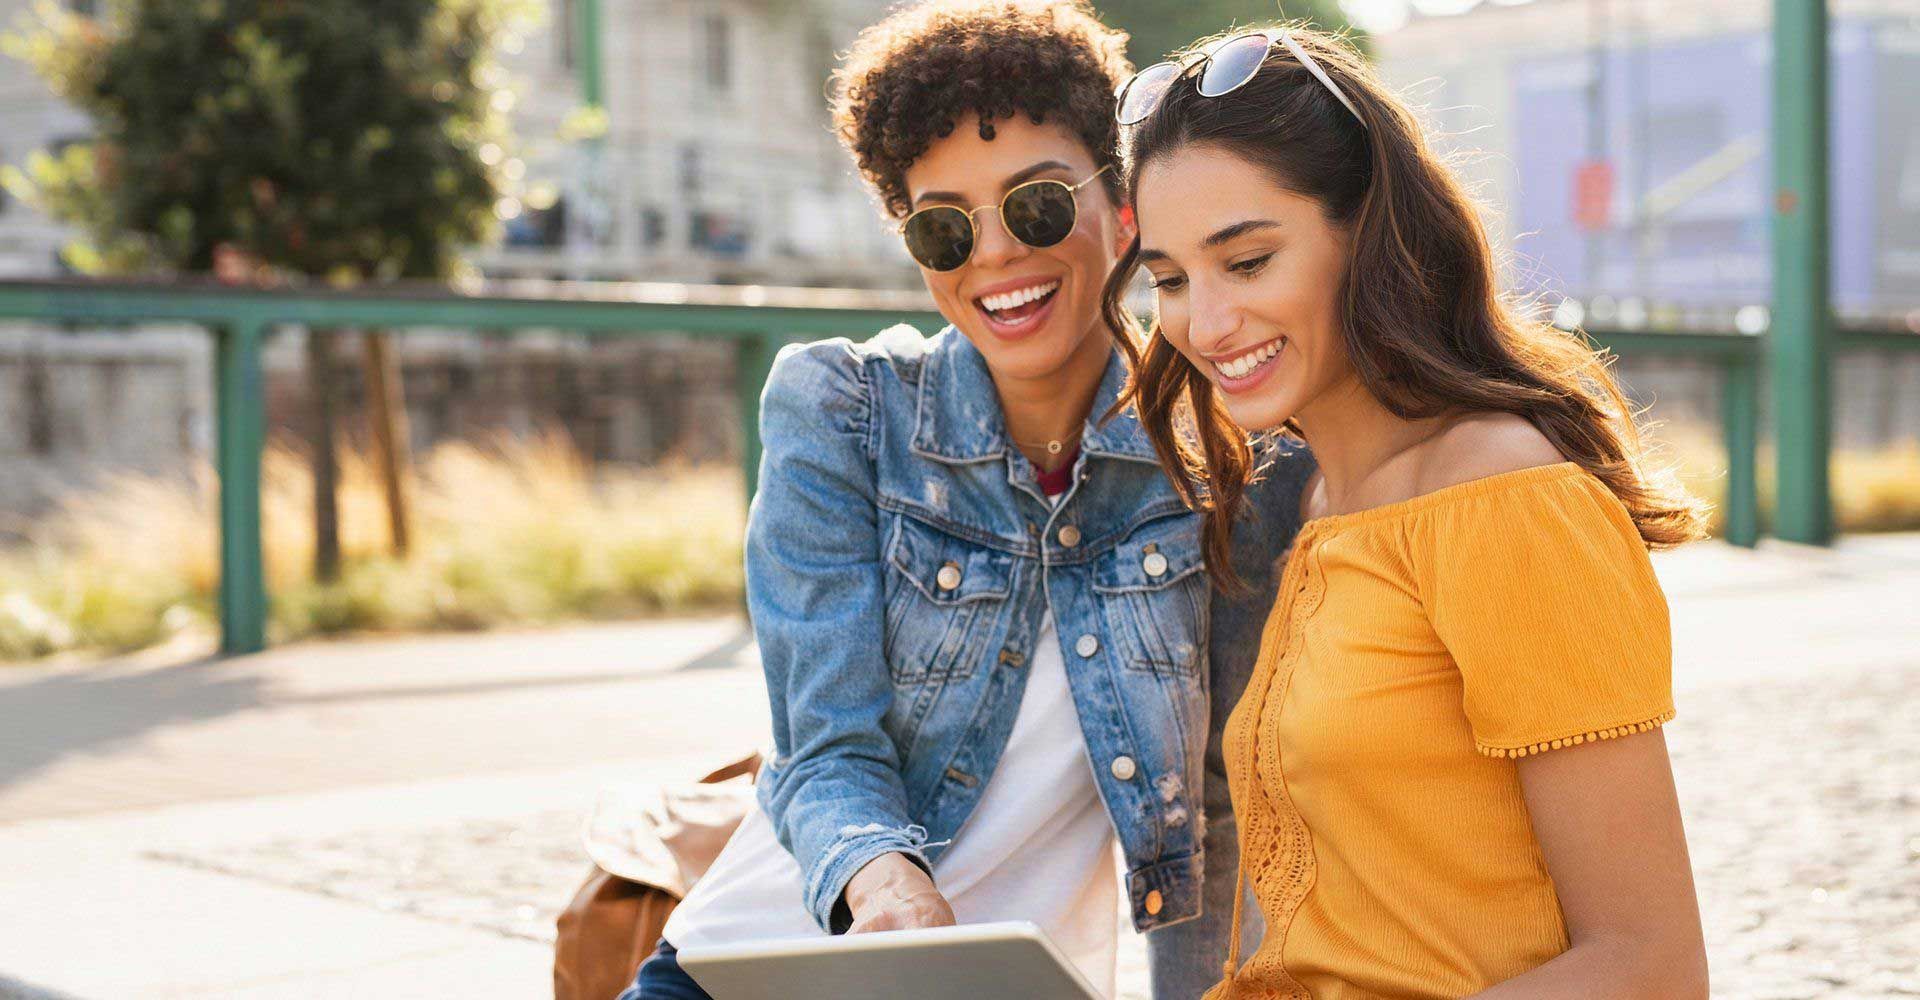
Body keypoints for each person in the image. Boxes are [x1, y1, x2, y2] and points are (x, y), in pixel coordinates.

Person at [620, 4, 1310, 998]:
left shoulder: (1233, 465)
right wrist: (889, 891)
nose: (992, 253)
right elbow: (825, 751)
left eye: (1033, 205)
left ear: (1123, 210)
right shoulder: (839, 411)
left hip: (1013, 982)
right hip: (766, 959)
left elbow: (1220, 816)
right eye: (944, 227)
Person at [1107, 24, 1712, 999]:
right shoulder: (1308, 497)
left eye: (1249, 261)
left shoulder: (1506, 500)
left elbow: (1651, 966)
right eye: (1171, 280)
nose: (1205, 323)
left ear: (1368, 235)